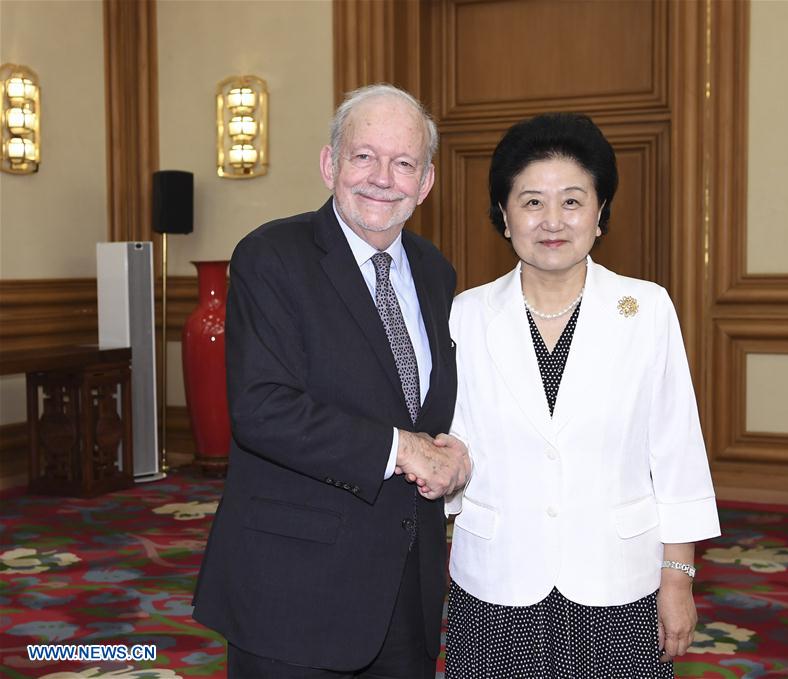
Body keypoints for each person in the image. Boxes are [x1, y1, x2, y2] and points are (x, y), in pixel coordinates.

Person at [192, 84, 471, 679]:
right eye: (363, 156)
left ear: (425, 183)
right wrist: (403, 449)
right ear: (329, 165)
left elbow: (430, 410)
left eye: (404, 163)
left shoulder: (435, 271)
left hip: (404, 588)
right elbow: (262, 409)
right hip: (294, 593)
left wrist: (453, 452)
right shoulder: (272, 256)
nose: (381, 177)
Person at [443, 113, 721, 678]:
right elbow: (453, 442)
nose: (552, 221)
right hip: (498, 582)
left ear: (600, 214)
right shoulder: (466, 315)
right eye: (531, 202)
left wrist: (678, 579)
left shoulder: (645, 310)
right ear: (504, 214)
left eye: (571, 201)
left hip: (618, 582)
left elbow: (677, 452)